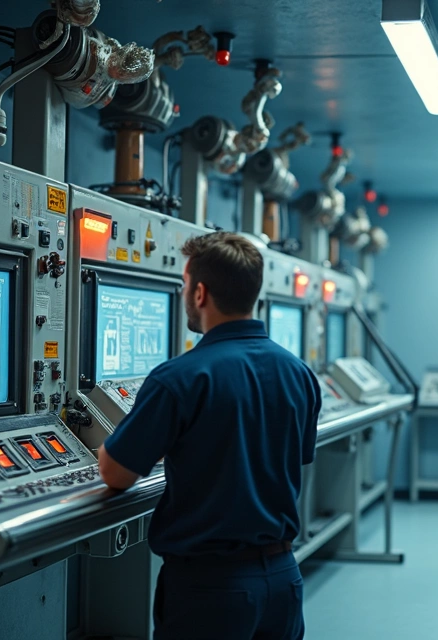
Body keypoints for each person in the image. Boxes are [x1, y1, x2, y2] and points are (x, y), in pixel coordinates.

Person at [98, 231, 321, 640]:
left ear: (199, 293)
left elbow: (117, 474)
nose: (185, 293)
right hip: (284, 580)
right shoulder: (299, 373)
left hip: (211, 591)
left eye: (184, 284)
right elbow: (287, 458)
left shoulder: (180, 377)